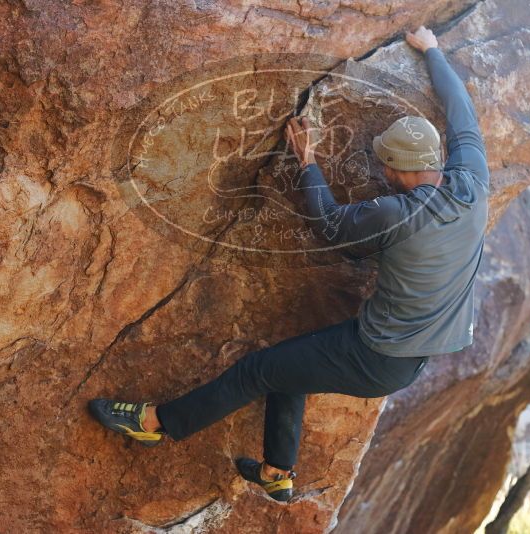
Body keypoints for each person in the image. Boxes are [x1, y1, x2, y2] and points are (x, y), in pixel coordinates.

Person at [88, 24, 489, 503]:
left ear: (398, 171)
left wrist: (308, 164)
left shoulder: (394, 214)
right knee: (291, 367)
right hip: (412, 356)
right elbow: (461, 110)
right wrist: (433, 51)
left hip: (376, 356)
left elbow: (329, 225)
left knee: (258, 371)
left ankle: (156, 423)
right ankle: (278, 475)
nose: (382, 172)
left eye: (386, 165)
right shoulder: (472, 182)